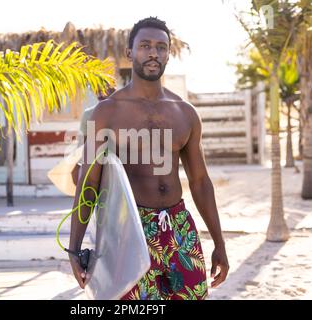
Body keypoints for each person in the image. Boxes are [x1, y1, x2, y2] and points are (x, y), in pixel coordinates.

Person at [69, 17, 228, 300]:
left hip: (179, 226)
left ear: (168, 53)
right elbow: (88, 182)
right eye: (145, 46)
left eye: (161, 47)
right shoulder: (107, 113)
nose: (154, 53)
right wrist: (75, 246)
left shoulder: (185, 113)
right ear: (130, 53)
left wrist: (220, 243)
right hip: (130, 229)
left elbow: (201, 181)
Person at [70, 85, 116, 186]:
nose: (100, 93)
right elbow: (83, 144)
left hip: (118, 162)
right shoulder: (88, 114)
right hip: (96, 160)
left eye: (105, 89)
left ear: (114, 90)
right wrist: (79, 165)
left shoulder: (123, 112)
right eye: (97, 90)